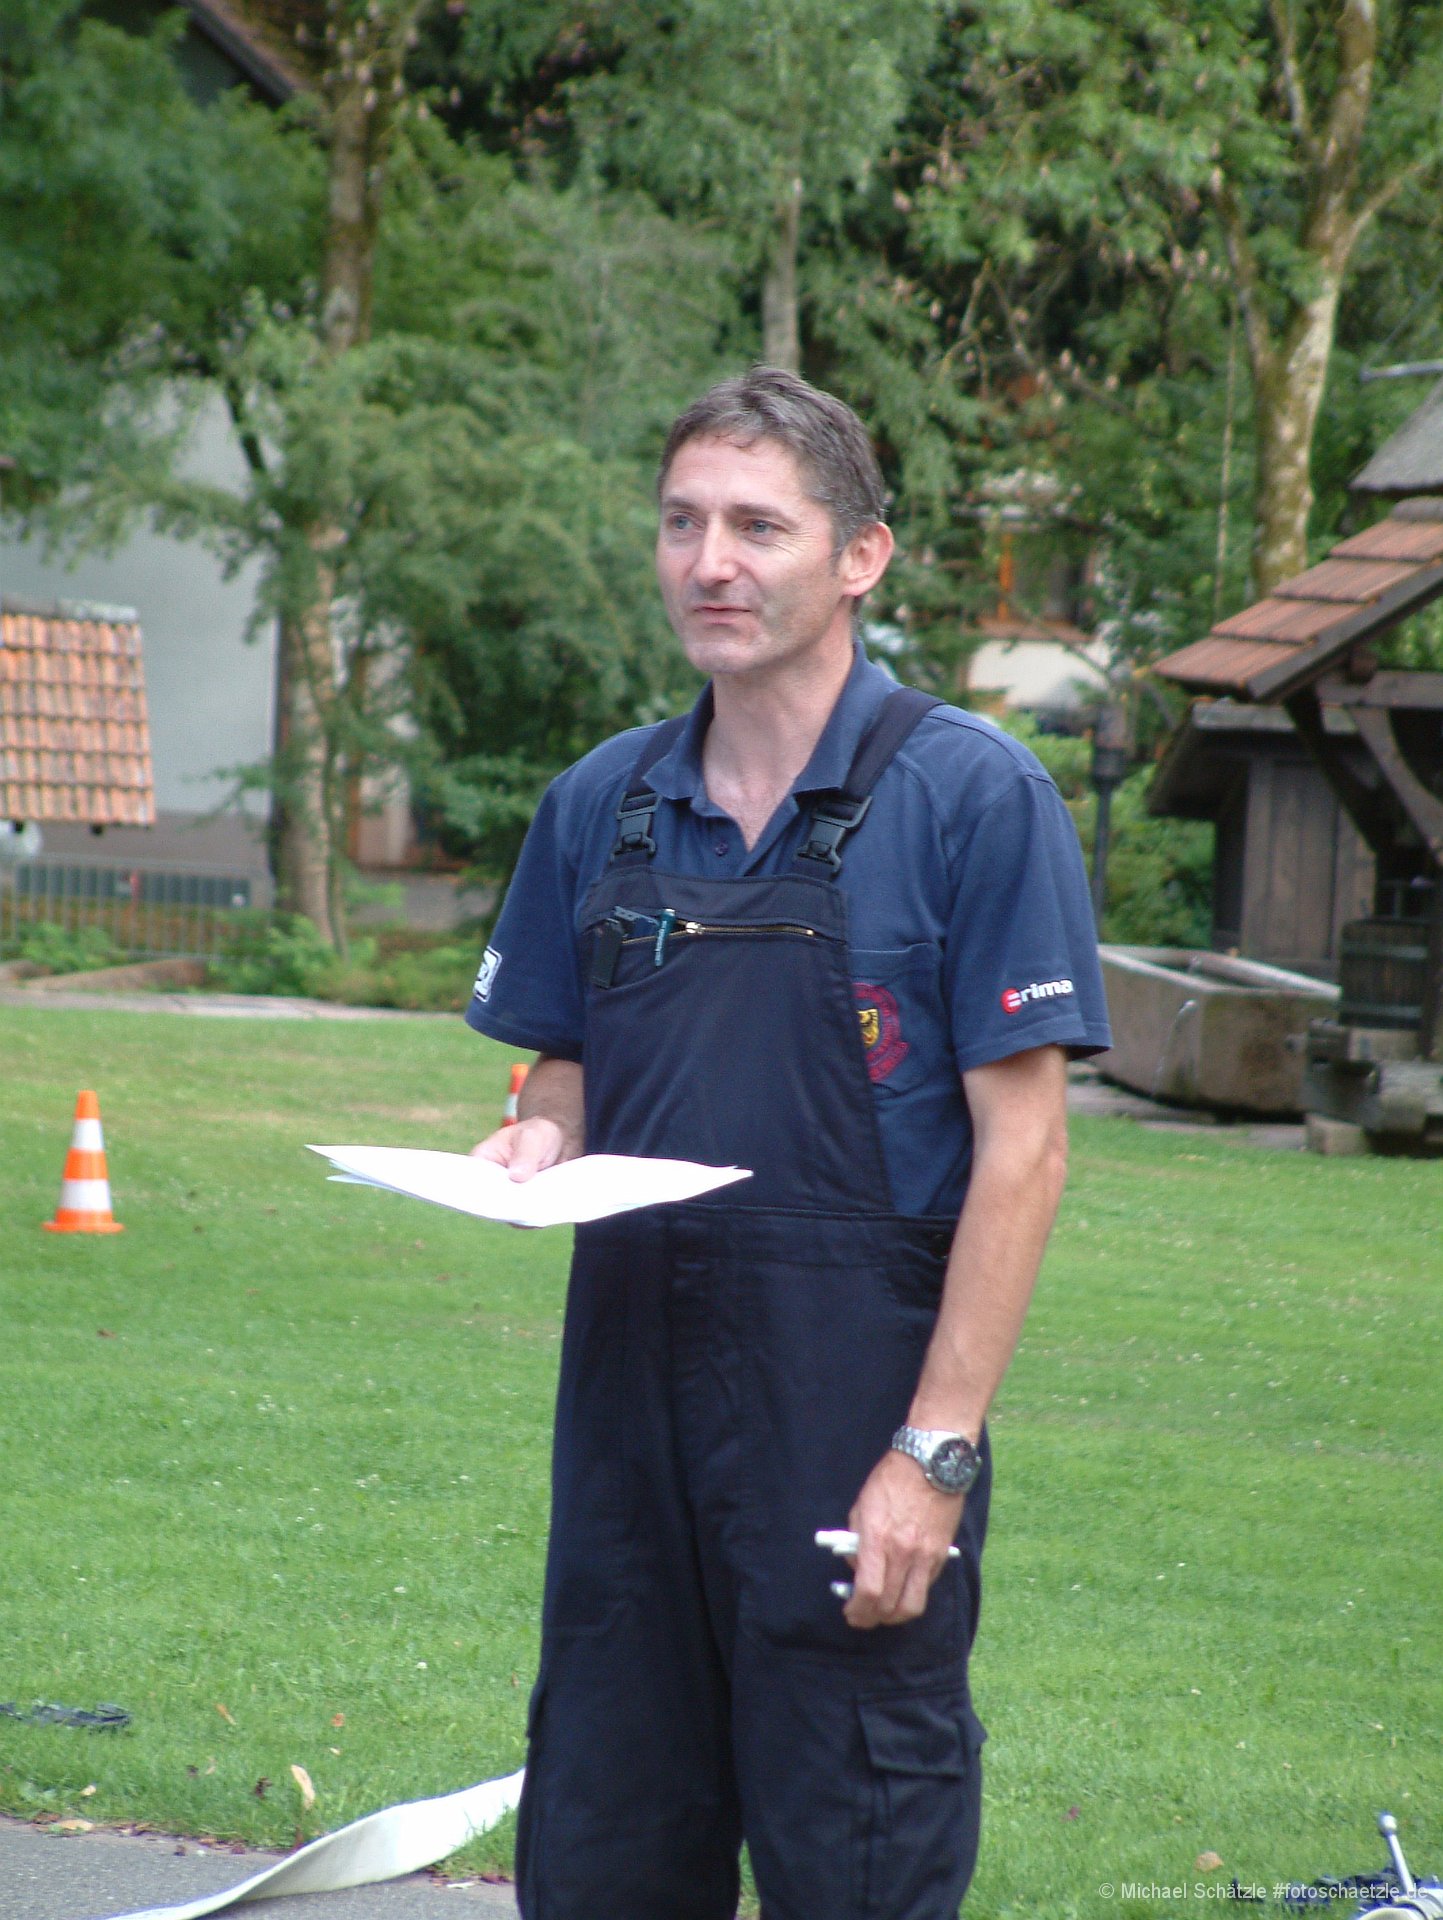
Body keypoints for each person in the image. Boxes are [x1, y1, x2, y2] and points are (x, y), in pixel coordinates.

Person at [466, 365, 1111, 1920]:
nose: (712, 562)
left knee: (859, 1859)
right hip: (627, 1445)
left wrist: (932, 1455)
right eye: (683, 523)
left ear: (861, 555)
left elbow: (1025, 1154)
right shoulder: (600, 804)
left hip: (850, 1436)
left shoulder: (973, 798)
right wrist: (537, 1135)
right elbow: (568, 1065)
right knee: (604, 1866)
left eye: (759, 526)